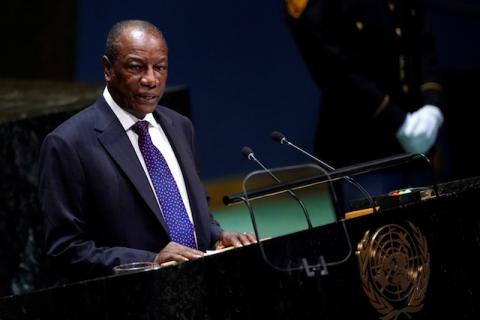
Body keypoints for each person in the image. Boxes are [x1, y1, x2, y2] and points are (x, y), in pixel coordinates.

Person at [38, 19, 256, 280]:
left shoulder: (180, 127)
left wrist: (218, 236)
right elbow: (64, 250)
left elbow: (194, 213)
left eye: (160, 68)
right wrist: (150, 260)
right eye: (136, 67)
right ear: (108, 69)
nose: (151, 79)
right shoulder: (68, 144)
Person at [284, 0, 446, 206]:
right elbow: (329, 65)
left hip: (419, 141)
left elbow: (421, 41)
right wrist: (397, 121)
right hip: (363, 150)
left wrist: (432, 106)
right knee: (374, 235)